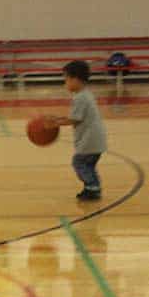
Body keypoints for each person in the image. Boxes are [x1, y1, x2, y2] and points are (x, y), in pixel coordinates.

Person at [48, 60, 107, 201]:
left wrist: (54, 124)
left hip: (89, 141)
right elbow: (75, 116)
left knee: (79, 163)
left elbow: (74, 119)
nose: (65, 83)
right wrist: (57, 119)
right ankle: (93, 188)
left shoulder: (80, 98)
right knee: (88, 165)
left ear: (75, 79)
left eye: (66, 79)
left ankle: (92, 188)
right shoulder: (85, 94)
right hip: (95, 140)